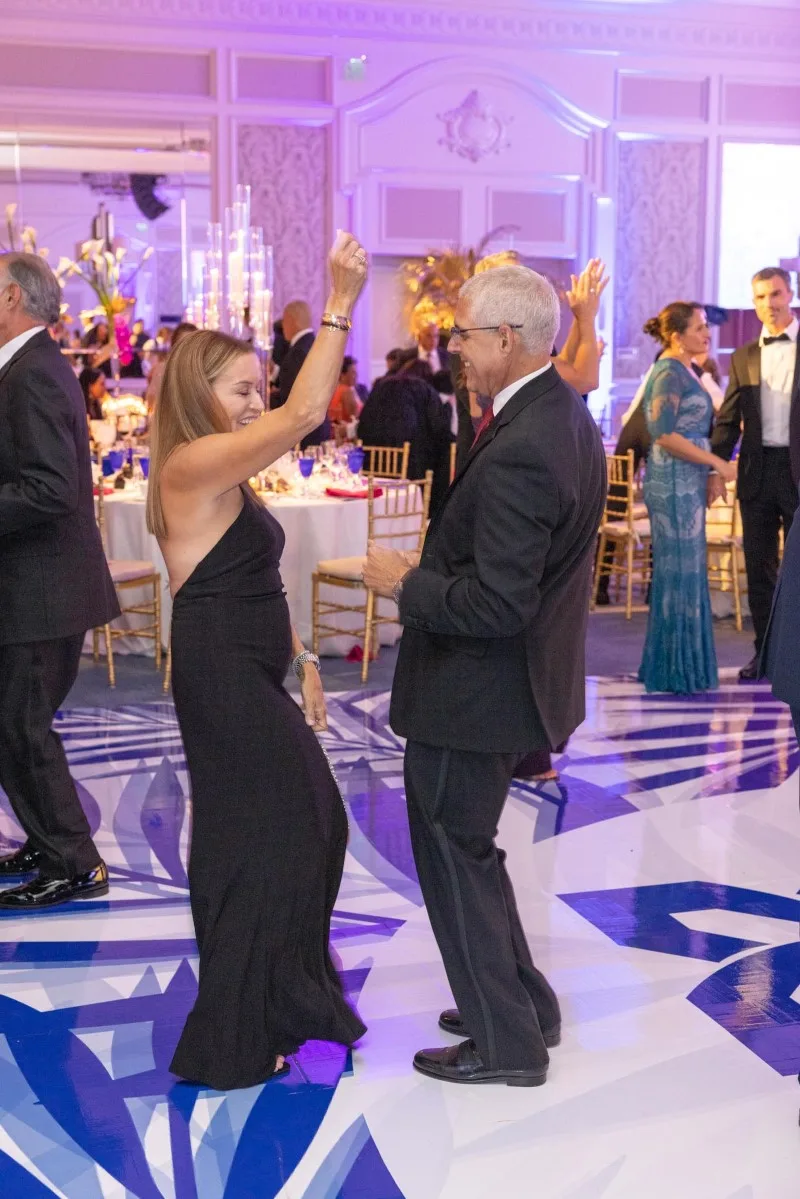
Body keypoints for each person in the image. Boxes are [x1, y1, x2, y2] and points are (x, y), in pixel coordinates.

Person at [363, 265, 606, 1087]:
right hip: (507, 684)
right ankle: (523, 1004)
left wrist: (405, 583)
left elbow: (499, 601)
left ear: (506, 338)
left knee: (452, 852)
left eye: (462, 335)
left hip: (478, 690)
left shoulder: (526, 443)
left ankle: (507, 1043)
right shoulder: (556, 412)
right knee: (470, 846)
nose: (453, 348)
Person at [145, 232, 368, 1091]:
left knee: (290, 830)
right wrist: (339, 301)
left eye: (258, 387)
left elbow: (251, 576)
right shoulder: (192, 463)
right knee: (274, 835)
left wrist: (302, 651)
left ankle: (268, 1008)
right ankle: (237, 1032)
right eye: (241, 388)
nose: (256, 401)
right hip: (222, 676)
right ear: (197, 393)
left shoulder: (219, 470)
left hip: (244, 667)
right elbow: (306, 414)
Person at [0, 253, 119, 909]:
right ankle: (48, 843)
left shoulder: (35, 372)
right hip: (35, 588)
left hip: (43, 591)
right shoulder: (29, 366)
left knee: (22, 727)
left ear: (12, 297)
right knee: (13, 725)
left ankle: (76, 863)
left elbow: (50, 487)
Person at [637, 303, 737, 694]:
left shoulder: (686, 368)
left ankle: (680, 666)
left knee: (688, 572)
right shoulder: (668, 371)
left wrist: (710, 470)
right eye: (699, 327)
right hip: (673, 480)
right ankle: (673, 670)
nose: (707, 333)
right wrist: (717, 462)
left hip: (687, 478)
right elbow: (663, 434)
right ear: (677, 336)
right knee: (678, 573)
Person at [711, 267, 800, 680]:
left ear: (790, 294)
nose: (769, 304)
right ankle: (763, 654)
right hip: (757, 473)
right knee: (759, 572)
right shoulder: (743, 356)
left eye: (776, 294)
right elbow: (728, 419)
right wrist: (715, 467)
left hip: (797, 472)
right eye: (761, 297)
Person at [357, 350, 453, 513]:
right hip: (412, 469)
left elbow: (363, 423)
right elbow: (439, 428)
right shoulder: (424, 390)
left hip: (372, 465)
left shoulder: (382, 385)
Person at [274, 300, 329, 447]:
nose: (283, 327)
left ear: (291, 320)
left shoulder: (298, 353)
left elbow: (293, 398)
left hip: (304, 432)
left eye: (284, 321)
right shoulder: (314, 345)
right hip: (318, 426)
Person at [328, 356, 362, 427]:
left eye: (356, 372)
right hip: (347, 431)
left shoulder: (333, 390)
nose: (356, 375)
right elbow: (354, 418)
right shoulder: (347, 391)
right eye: (353, 372)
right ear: (342, 375)